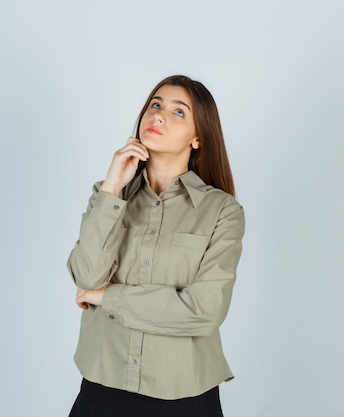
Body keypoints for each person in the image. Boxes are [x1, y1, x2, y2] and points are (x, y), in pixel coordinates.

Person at [67, 75, 245, 417]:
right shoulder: (109, 195)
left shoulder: (222, 212)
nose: (159, 115)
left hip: (183, 394)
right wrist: (112, 187)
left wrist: (109, 297)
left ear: (198, 139)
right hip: (103, 385)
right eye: (156, 105)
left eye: (179, 112)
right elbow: (87, 277)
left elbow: (203, 311)